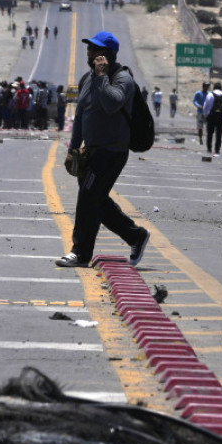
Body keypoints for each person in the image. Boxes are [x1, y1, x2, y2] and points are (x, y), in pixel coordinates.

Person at [56, 31, 150, 269]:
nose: (89, 53)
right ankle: (135, 235)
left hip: (112, 151)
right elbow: (80, 116)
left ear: (107, 55)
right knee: (96, 200)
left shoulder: (122, 79)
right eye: (89, 49)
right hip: (92, 151)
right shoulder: (87, 78)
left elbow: (111, 104)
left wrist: (101, 77)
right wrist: (73, 148)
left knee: (88, 197)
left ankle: (80, 252)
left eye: (95, 49)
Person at [203, 82, 222, 155]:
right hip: (220, 117)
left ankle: (209, 148)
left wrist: (205, 116)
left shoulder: (210, 95)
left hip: (211, 116)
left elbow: (205, 107)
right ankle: (217, 149)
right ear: (221, 88)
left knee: (210, 133)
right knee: (219, 134)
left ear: (214, 88)